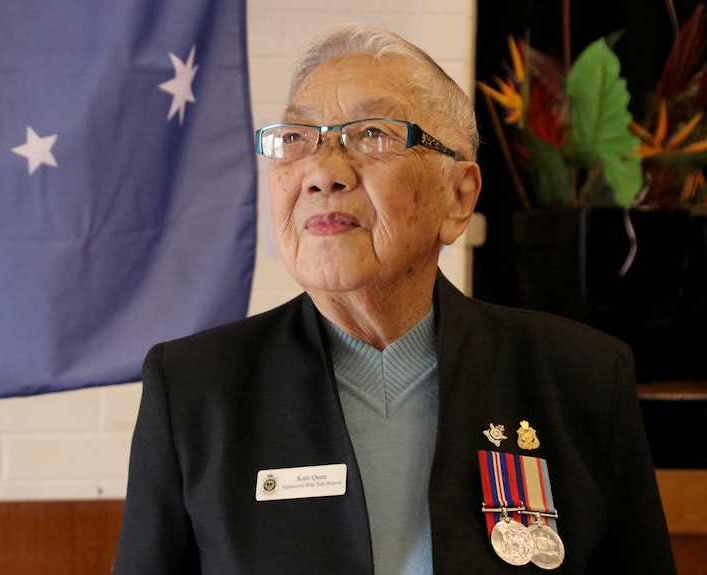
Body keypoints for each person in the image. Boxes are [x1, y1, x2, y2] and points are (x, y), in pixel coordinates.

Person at [113, 23, 676, 575]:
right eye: (296, 139)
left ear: (458, 197)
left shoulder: (581, 377)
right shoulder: (194, 389)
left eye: (373, 135)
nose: (321, 173)